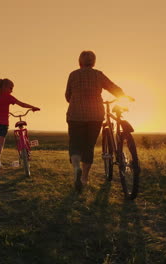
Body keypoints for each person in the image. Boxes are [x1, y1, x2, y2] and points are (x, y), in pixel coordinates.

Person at [66, 50, 133, 192]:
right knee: (88, 146)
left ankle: (77, 168)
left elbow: (67, 96)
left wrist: (75, 100)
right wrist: (124, 96)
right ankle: (84, 178)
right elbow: (113, 87)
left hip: (75, 115)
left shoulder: (73, 75)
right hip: (95, 114)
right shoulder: (98, 74)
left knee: (75, 144)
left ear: (80, 61)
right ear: (94, 62)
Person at [0, 78, 40, 171]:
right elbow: (22, 104)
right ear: (5, 87)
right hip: (3, 123)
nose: (12, 90)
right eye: (11, 88)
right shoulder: (8, 96)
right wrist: (33, 107)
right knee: (0, 144)